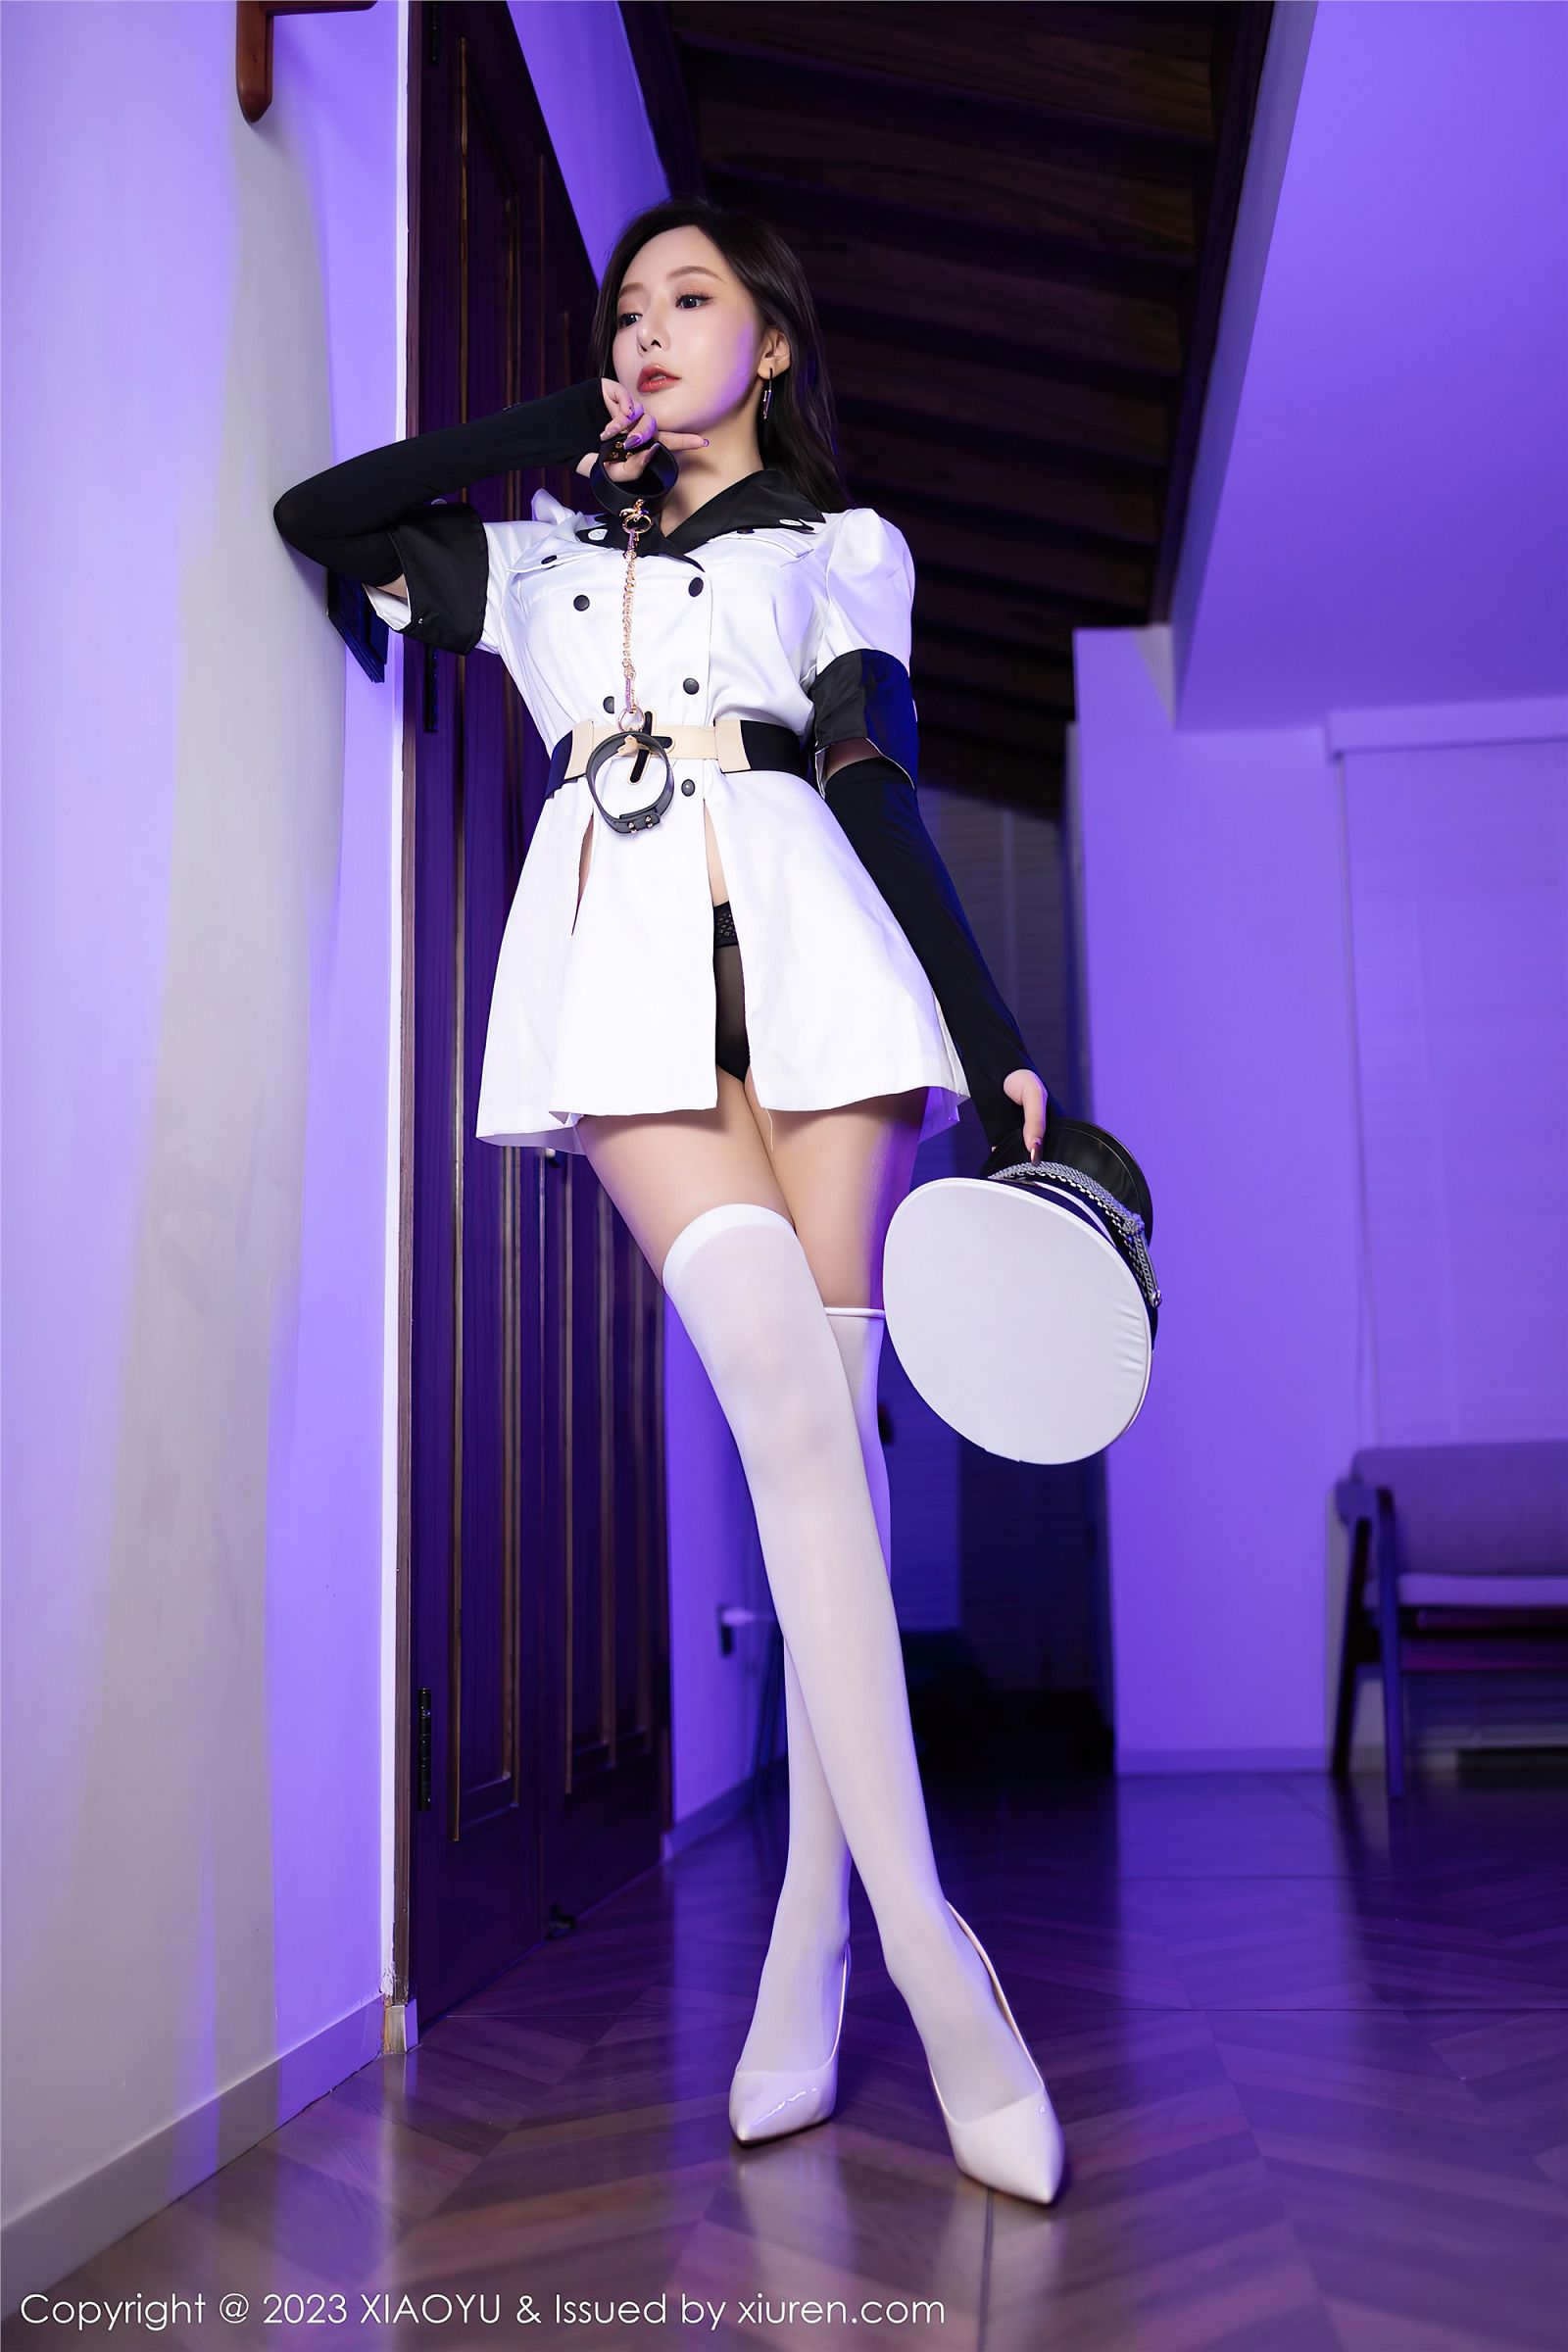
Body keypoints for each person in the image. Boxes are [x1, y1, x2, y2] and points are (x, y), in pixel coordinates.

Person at [273, 195, 1064, 2205]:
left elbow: (872, 772)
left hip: (823, 985)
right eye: (625, 307)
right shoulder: (538, 561)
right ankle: (933, 1959)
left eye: (688, 299)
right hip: (619, 988)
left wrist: (987, 1034)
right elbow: (324, 515)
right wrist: (565, 423)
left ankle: (808, 1937)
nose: (647, 326)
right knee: (785, 1418)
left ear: (769, 344)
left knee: (830, 1468)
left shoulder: (840, 545)